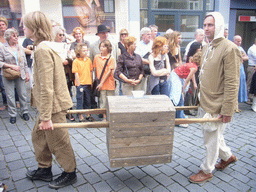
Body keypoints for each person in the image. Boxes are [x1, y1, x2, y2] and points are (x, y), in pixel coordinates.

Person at [23, 11, 77, 189]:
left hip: (53, 106)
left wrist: (46, 117)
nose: (22, 28)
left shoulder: (43, 50)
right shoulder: (44, 46)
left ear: (34, 29)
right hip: (50, 105)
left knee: (58, 141)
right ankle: (44, 169)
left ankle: (70, 172)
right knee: (38, 136)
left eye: (25, 25)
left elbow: (47, 86)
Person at [189, 12, 241, 184]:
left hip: (217, 104)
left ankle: (207, 169)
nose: (206, 28)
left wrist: (227, 110)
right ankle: (227, 157)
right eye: (204, 25)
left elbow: (232, 83)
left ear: (218, 25)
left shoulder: (230, 48)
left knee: (210, 138)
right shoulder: (208, 47)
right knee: (215, 135)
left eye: (210, 25)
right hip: (206, 101)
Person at [0, 28, 30, 124]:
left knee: (23, 94)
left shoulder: (19, 47)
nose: (16, 38)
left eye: (17, 36)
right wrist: (11, 66)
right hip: (8, 74)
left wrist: (26, 73)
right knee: (10, 95)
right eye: (14, 36)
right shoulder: (2, 47)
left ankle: (24, 112)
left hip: (20, 74)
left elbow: (24, 61)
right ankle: (13, 114)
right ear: (8, 37)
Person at [52, 25, 75, 121]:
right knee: (58, 93)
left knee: (68, 92)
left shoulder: (67, 45)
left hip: (66, 72)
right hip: (56, 72)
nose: (61, 36)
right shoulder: (51, 46)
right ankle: (60, 112)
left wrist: (68, 60)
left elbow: (72, 57)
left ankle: (69, 112)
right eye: (59, 35)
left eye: (63, 35)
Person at [93, 40, 115, 121]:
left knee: (110, 101)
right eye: (101, 46)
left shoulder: (111, 58)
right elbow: (95, 70)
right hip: (100, 83)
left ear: (108, 48)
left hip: (109, 83)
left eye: (104, 46)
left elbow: (109, 71)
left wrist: (102, 82)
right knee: (102, 101)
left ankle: (110, 116)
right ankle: (104, 117)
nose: (101, 48)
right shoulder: (96, 57)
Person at [72, 43, 94, 122]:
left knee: (87, 100)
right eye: (83, 50)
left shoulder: (88, 60)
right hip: (80, 84)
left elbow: (91, 71)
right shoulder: (76, 61)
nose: (85, 52)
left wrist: (91, 82)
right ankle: (80, 115)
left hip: (88, 83)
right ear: (79, 51)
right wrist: (78, 85)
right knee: (80, 100)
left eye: (86, 50)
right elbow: (76, 74)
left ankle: (88, 114)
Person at [233, 35, 248, 112]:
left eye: (240, 41)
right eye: (238, 41)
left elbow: (246, 57)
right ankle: (234, 106)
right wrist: (241, 58)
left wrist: (241, 58)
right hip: (235, 68)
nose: (239, 43)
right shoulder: (232, 48)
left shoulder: (241, 48)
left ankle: (237, 105)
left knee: (240, 85)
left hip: (241, 69)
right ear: (234, 41)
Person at [135, 27, 153, 93]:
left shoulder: (153, 44)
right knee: (142, 90)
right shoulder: (138, 45)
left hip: (152, 72)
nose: (150, 36)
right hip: (143, 72)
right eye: (148, 34)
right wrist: (150, 62)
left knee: (151, 91)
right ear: (143, 35)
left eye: (150, 34)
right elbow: (139, 59)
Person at [0, 16, 8, 110]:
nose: (1, 26)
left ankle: (17, 102)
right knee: (2, 85)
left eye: (3, 24)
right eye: (0, 25)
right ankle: (6, 103)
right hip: (1, 64)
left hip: (10, 63)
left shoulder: (9, 36)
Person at [247, 38, 256, 104]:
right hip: (252, 67)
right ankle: (248, 98)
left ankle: (252, 97)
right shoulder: (252, 48)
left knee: (254, 83)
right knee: (250, 82)